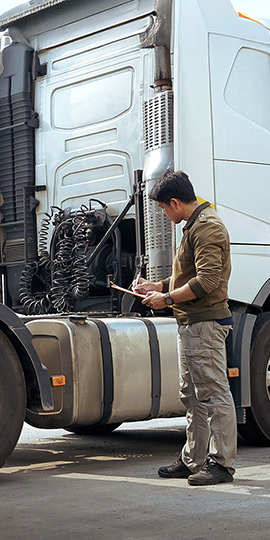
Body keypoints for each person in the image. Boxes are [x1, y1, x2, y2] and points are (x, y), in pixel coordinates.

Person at [134, 170, 234, 486]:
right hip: (191, 323)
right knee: (192, 394)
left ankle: (222, 464)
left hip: (205, 323)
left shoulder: (207, 228)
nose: (164, 214)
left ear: (175, 202)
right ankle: (194, 458)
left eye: (164, 208)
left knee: (214, 392)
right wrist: (157, 286)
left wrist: (165, 298)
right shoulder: (193, 226)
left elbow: (207, 281)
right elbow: (186, 277)